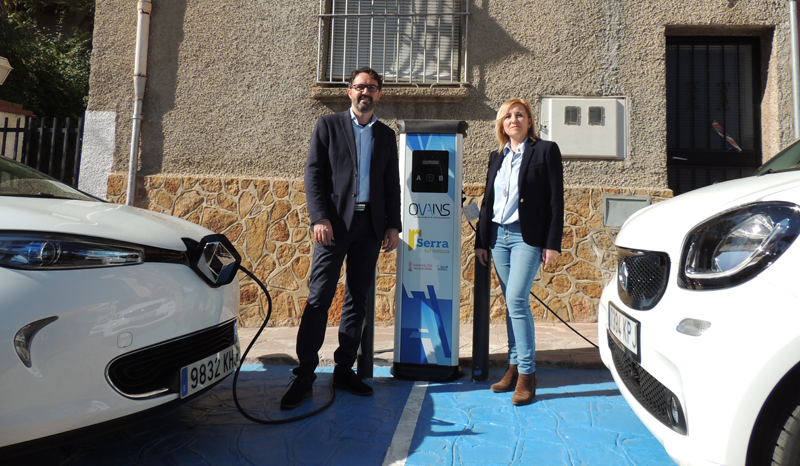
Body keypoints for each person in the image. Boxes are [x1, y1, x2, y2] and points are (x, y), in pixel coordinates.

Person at [281, 67, 401, 410]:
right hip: (333, 226)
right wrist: (319, 217)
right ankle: (304, 373)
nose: (365, 92)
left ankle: (344, 368)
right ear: (349, 92)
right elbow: (314, 173)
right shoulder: (328, 125)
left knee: (357, 299)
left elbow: (390, 183)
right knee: (319, 296)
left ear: (379, 95)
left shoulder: (386, 135)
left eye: (372, 88)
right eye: (360, 86)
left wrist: (393, 225)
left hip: (370, 227)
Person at [474, 98, 564, 406]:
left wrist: (552, 243)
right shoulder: (496, 157)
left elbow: (555, 201)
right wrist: (481, 241)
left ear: (529, 121)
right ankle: (513, 367)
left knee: (516, 299)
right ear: (502, 124)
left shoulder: (545, 151)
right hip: (498, 237)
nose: (514, 119)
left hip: (527, 238)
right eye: (508, 116)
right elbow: (488, 203)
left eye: (520, 115)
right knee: (510, 302)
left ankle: (527, 374)